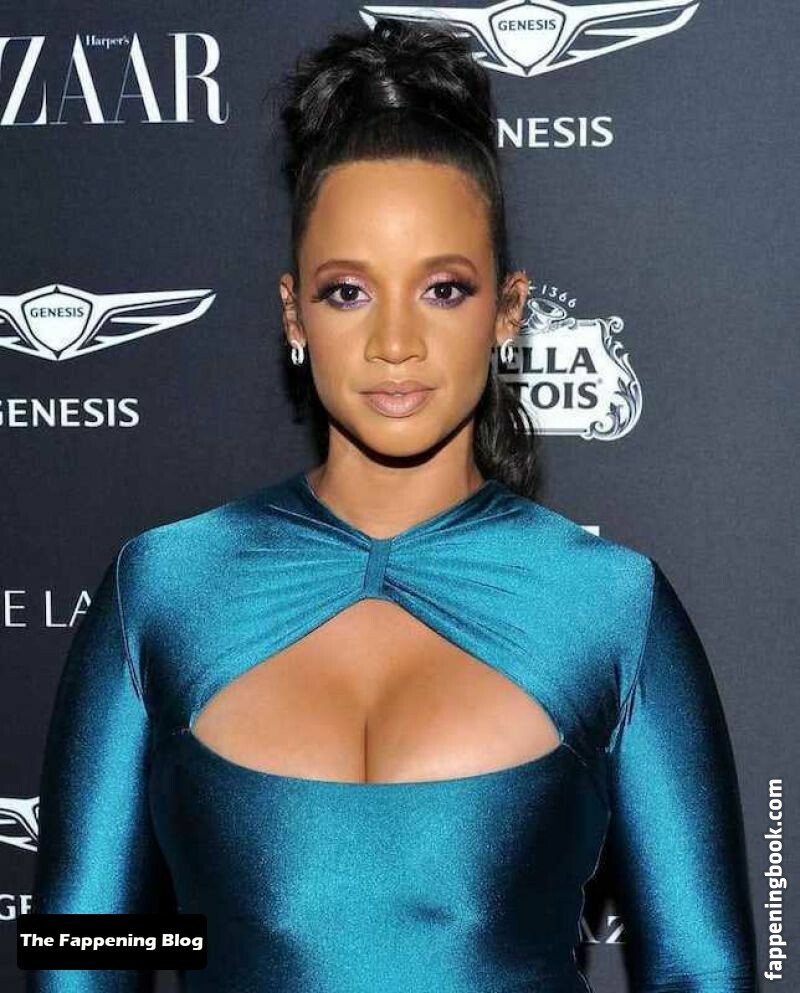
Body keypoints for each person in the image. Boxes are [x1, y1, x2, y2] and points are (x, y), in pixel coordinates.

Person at [28, 18, 759, 993]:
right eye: (347, 293)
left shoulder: (612, 610)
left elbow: (701, 974)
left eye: (443, 289)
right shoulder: (160, 593)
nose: (395, 344)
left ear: (507, 310)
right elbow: (80, 956)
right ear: (292, 312)